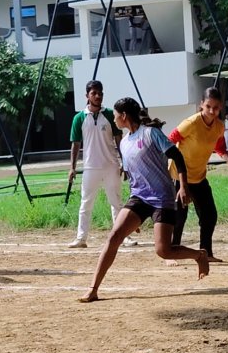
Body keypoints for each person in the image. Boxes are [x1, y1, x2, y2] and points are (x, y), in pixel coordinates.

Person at [80, 97, 209, 303]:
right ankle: (93, 289)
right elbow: (133, 176)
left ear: (123, 116)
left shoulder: (151, 134)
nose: (113, 120)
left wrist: (183, 187)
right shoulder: (124, 143)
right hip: (139, 198)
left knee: (163, 251)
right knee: (114, 237)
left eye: (115, 116)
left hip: (163, 198)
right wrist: (132, 216)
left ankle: (199, 256)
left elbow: (177, 156)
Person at [168, 87, 228, 261]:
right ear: (201, 105)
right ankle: (172, 253)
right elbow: (169, 140)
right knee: (179, 217)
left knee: (209, 215)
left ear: (220, 107)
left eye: (216, 107)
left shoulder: (219, 127)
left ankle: (206, 252)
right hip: (179, 176)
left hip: (199, 177)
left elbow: (220, 147)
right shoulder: (191, 123)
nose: (212, 111)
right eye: (208, 106)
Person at [67, 80, 130, 249]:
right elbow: (75, 144)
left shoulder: (110, 114)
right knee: (86, 203)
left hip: (111, 165)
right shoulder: (79, 118)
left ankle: (123, 237)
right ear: (87, 96)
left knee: (116, 202)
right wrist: (72, 167)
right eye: (94, 93)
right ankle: (81, 238)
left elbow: (119, 140)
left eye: (100, 93)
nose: (98, 96)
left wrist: (125, 162)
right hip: (90, 167)